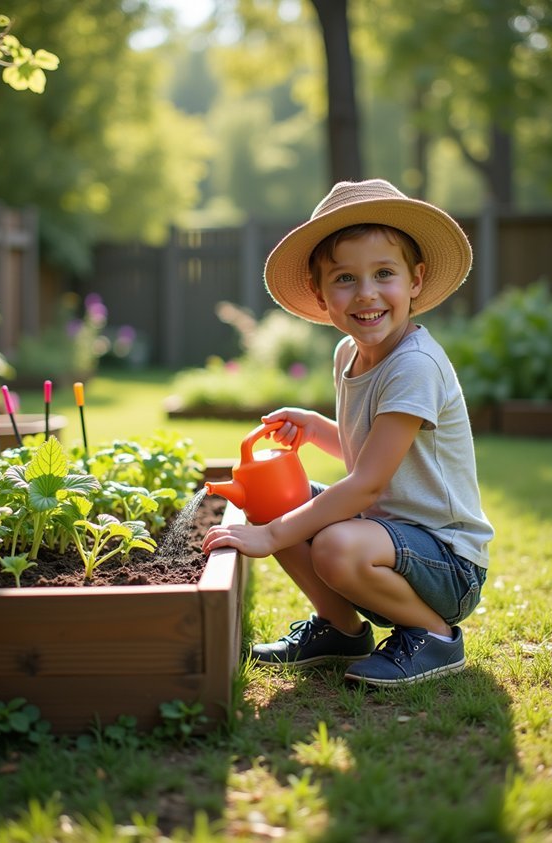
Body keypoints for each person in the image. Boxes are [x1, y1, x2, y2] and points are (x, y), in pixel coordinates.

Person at [202, 178, 494, 687]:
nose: (366, 293)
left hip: (447, 562)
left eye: (384, 273)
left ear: (415, 280)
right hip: (387, 537)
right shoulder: (348, 354)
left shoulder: (415, 365)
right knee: (269, 494)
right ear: (320, 293)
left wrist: (272, 536)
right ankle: (340, 628)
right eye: (344, 278)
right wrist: (317, 428)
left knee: (334, 544)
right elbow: (375, 457)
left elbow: (367, 484)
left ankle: (435, 637)